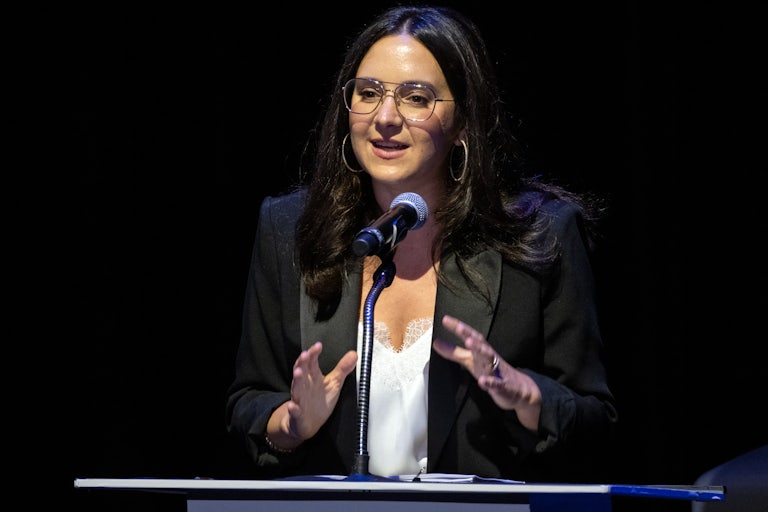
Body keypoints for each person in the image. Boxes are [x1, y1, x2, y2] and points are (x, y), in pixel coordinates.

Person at [225, 4, 618, 483]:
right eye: (368, 93)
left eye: (416, 98)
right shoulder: (287, 229)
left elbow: (594, 420)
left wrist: (529, 398)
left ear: (463, 125)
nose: (385, 117)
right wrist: (291, 423)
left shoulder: (542, 234)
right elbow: (248, 402)